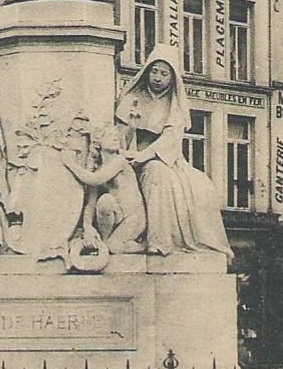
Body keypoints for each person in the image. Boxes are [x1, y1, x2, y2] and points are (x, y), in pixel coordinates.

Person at [116, 45, 233, 258]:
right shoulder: (132, 97)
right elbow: (119, 130)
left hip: (159, 158)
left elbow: (170, 139)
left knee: (160, 174)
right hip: (128, 153)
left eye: (164, 73)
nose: (158, 78)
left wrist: (143, 155)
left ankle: (158, 241)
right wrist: (129, 142)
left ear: (172, 77)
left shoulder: (174, 105)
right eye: (154, 71)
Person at [61, 125, 146, 253]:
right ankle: (104, 241)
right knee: (104, 202)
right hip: (118, 215)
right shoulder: (100, 169)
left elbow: (94, 179)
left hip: (133, 218)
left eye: (116, 136)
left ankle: (143, 245)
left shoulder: (119, 162)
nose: (115, 138)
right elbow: (91, 204)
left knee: (114, 246)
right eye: (109, 135)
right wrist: (87, 226)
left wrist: (70, 163)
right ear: (98, 143)